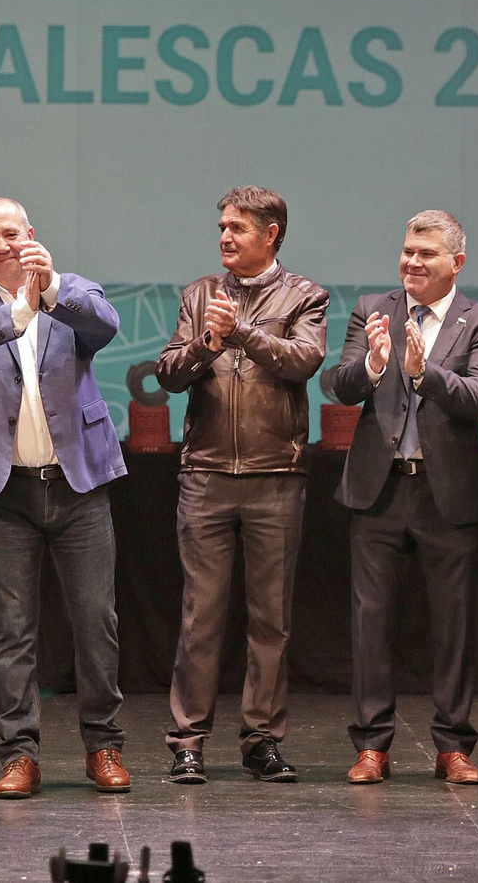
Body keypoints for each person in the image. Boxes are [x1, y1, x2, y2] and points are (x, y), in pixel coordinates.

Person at [0, 197, 130, 799]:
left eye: (10, 234)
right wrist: (16, 312)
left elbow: (104, 326)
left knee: (96, 622)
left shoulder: (73, 290)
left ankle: (104, 746)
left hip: (77, 487)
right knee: (12, 630)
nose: (1, 245)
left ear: (31, 236)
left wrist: (46, 298)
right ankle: (20, 754)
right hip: (4, 491)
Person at [323, 209, 478, 785]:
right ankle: (372, 745)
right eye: (407, 251)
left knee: (454, 625)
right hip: (379, 490)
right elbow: (338, 383)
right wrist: (374, 365)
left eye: (426, 253)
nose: (413, 262)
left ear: (457, 262)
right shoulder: (372, 309)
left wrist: (426, 374)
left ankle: (453, 745)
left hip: (446, 495)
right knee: (370, 623)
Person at [157, 186, 329, 784]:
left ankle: (261, 740)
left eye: (237, 227)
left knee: (270, 620)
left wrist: (243, 334)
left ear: (271, 234)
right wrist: (207, 342)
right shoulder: (199, 294)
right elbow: (169, 373)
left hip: (275, 478)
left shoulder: (306, 295)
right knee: (200, 615)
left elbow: (304, 361)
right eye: (222, 226)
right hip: (204, 475)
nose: (224, 236)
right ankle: (188, 742)